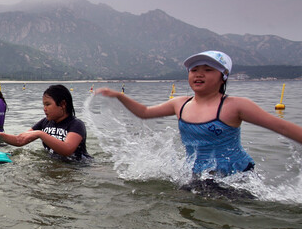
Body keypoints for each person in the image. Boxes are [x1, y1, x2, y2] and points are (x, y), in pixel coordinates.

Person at [96, 50, 302, 175]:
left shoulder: (235, 106)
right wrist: (119, 96)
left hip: (235, 176)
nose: (199, 74)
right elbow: (144, 112)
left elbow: (280, 126)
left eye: (208, 69)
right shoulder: (180, 104)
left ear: (223, 77)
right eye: (194, 70)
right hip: (196, 174)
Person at [0, 84, 90, 160]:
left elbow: (67, 150)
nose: (44, 109)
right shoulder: (45, 122)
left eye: (48, 104)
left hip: (77, 167)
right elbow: (20, 140)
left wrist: (41, 134)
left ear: (63, 104)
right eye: (43, 105)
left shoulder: (76, 124)